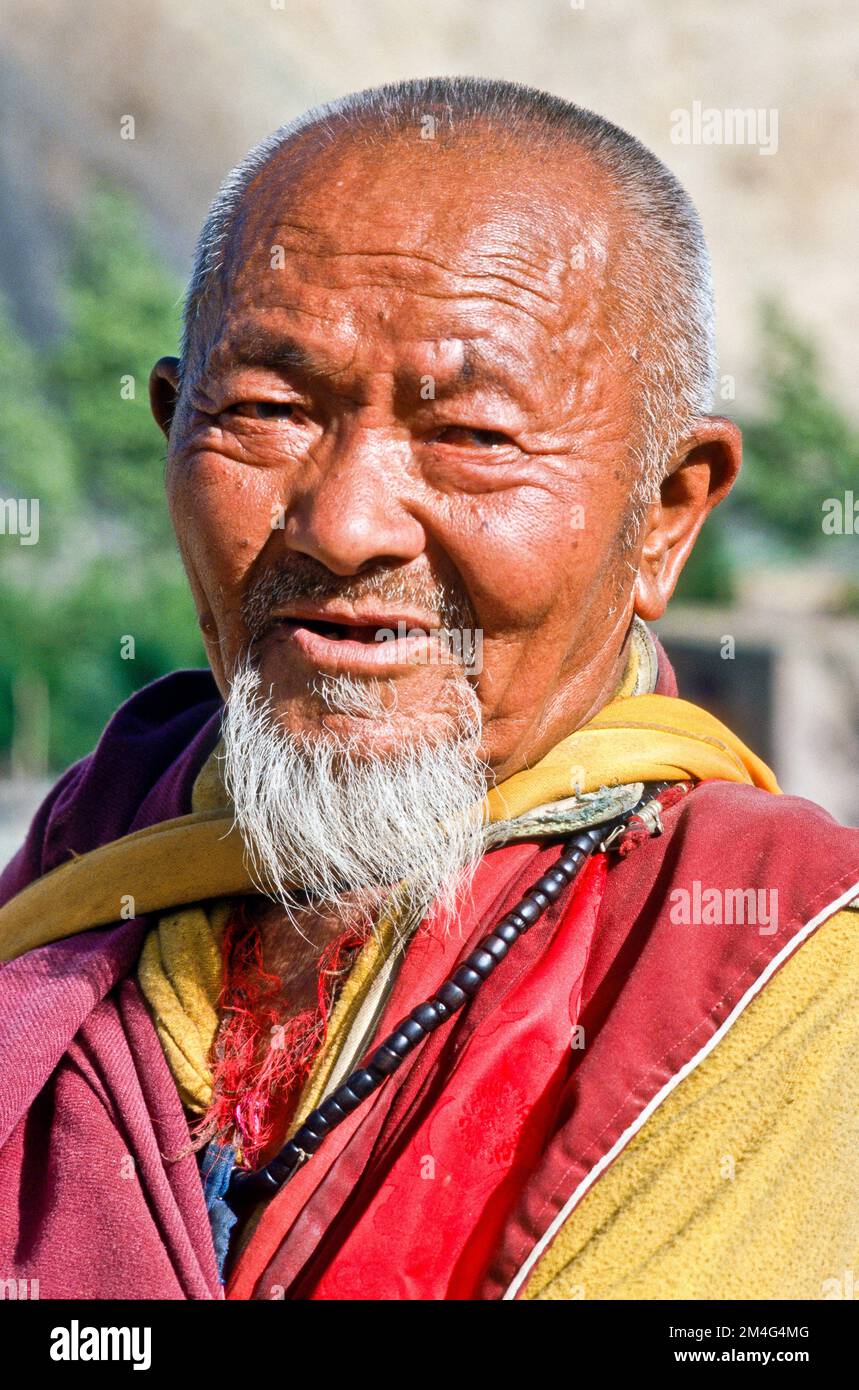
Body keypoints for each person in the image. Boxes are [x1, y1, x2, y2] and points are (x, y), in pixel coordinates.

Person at [1, 76, 857, 1302]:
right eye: (265, 409)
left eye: (472, 437)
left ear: (665, 513)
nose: (342, 524)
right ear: (168, 426)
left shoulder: (769, 958)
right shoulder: (106, 837)